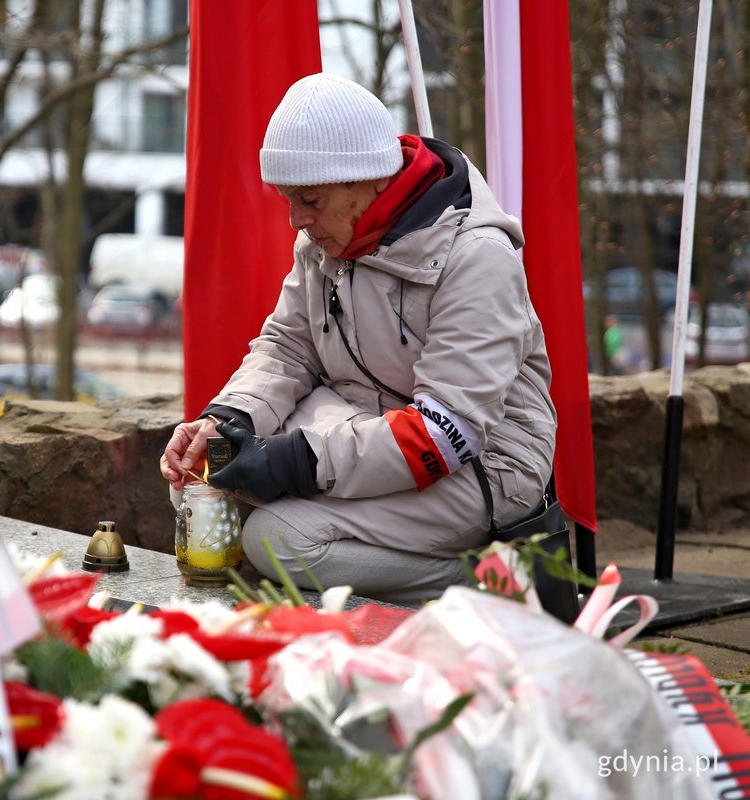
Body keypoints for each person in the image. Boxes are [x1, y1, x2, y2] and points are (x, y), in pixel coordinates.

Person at [159, 73, 556, 605]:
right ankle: (371, 578)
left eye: (310, 199)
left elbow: (445, 432)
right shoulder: (325, 238)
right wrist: (227, 422)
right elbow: (287, 347)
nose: (297, 220)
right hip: (371, 428)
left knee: (277, 539)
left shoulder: (478, 256)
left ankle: (484, 584)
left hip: (485, 468)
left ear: (367, 180)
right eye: (288, 199)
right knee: (204, 481)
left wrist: (296, 463)